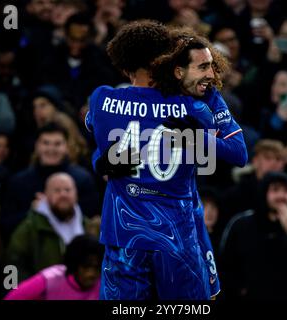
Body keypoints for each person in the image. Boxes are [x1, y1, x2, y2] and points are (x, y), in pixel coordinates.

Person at [86, 20, 247, 300]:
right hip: (176, 237)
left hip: (124, 236)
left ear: (124, 63)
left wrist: (99, 160)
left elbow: (101, 139)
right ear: (165, 60)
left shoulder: (101, 99)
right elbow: (238, 153)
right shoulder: (196, 106)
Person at [219, 171, 287, 300]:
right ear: (264, 193)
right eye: (275, 190)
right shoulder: (241, 224)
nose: (281, 196)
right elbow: (226, 265)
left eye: (286, 191)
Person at [2, 122, 100, 242]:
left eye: (57, 144)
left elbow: (93, 219)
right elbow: (6, 224)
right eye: (46, 143)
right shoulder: (18, 182)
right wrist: (33, 212)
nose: (51, 149)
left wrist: (62, 207)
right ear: (37, 146)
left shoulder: (83, 179)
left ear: (66, 146)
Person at [6, 173, 99, 282]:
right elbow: (11, 265)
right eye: (57, 190)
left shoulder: (90, 228)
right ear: (45, 195)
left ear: (76, 194)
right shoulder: (29, 228)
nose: (63, 194)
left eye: (67, 190)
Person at [5, 234, 102, 300]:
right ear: (75, 265)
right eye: (86, 266)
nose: (92, 273)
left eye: (96, 267)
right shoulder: (50, 279)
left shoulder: (105, 284)